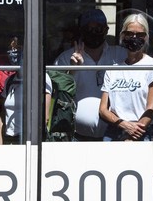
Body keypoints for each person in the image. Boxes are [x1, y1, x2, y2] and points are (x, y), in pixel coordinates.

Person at [54, 9, 128, 141]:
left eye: (98, 28)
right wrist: (72, 69)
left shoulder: (119, 54)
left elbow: (141, 61)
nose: (93, 32)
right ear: (82, 32)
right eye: (89, 28)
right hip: (76, 137)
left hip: (115, 136)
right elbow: (56, 94)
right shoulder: (65, 58)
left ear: (106, 30)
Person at [99, 13, 153, 141]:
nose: (134, 38)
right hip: (114, 131)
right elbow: (103, 109)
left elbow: (151, 109)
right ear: (123, 36)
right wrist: (124, 125)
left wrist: (132, 134)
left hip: (141, 131)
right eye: (129, 34)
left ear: (146, 37)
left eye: (140, 35)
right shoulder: (113, 69)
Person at [0, 40, 53, 144]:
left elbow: (45, 117)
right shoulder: (9, 81)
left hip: (29, 140)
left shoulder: (42, 78)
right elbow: (3, 116)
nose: (13, 52)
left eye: (17, 48)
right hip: (10, 140)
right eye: (11, 49)